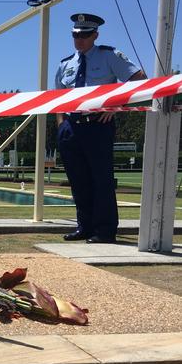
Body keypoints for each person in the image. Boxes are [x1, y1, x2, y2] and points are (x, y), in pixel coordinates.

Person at [55, 13, 146, 244]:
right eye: (76, 35)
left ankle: (105, 231)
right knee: (78, 181)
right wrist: (61, 125)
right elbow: (58, 98)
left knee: (101, 180)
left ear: (95, 35)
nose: (80, 40)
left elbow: (140, 78)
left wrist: (117, 105)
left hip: (98, 127)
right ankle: (84, 227)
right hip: (71, 127)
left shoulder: (109, 56)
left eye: (85, 35)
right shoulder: (66, 64)